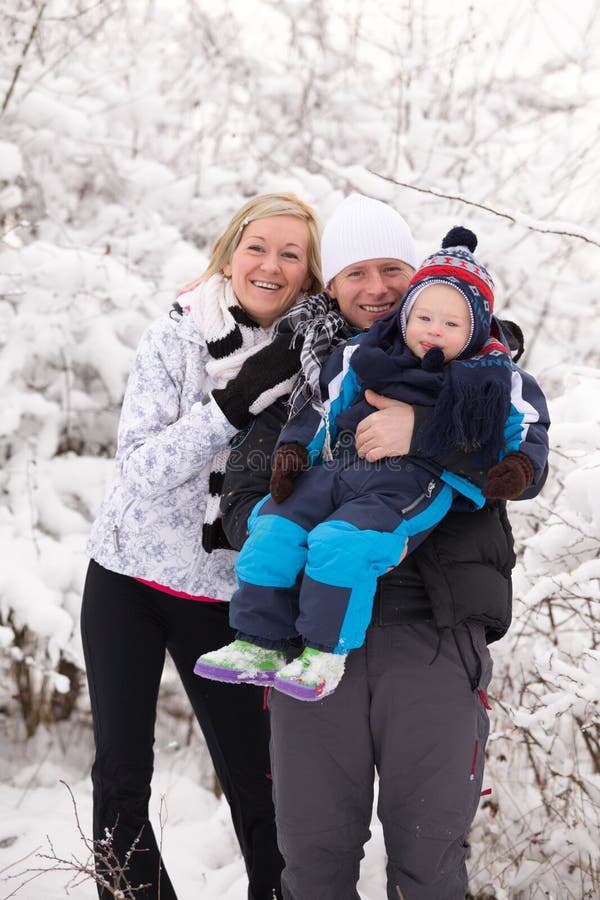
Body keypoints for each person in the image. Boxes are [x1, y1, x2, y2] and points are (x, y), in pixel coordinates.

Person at [216, 194, 548, 899]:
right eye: (355, 272)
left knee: (428, 866)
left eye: (391, 269)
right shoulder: (296, 385)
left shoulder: (481, 368)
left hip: (432, 632)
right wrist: (312, 521)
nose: (375, 288)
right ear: (330, 285)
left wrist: (421, 435)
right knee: (312, 863)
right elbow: (243, 505)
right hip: (312, 645)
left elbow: (514, 469)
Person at [80, 192, 323, 900]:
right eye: (257, 247)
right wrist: (230, 403)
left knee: (261, 788)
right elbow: (142, 467)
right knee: (120, 776)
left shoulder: (321, 362)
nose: (270, 265)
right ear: (230, 251)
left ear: (309, 275)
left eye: (290, 254)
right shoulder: (179, 334)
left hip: (230, 597)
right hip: (127, 578)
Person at [194, 227, 549, 701]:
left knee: (341, 542)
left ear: (477, 328)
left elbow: (526, 434)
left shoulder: (493, 381)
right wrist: (294, 451)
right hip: (336, 472)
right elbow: (321, 407)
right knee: (274, 528)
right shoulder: (360, 355)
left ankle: (323, 652)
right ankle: (258, 642)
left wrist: (515, 463)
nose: (434, 331)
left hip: (410, 497)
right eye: (424, 317)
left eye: (451, 324)